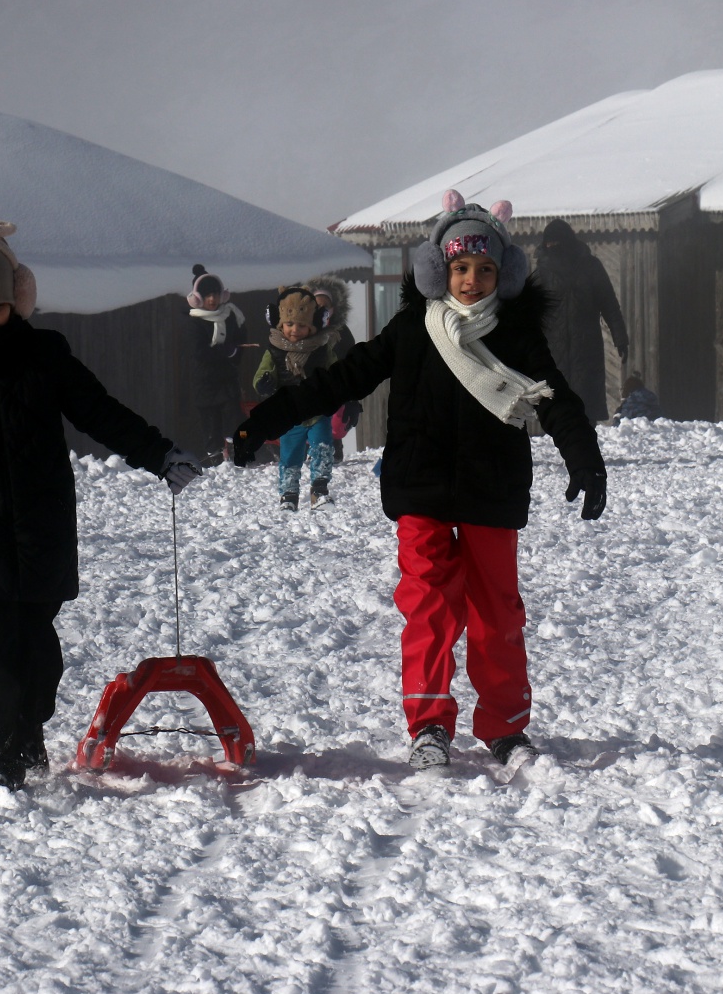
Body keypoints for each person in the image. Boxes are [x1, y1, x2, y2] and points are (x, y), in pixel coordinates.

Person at [231, 191, 607, 770]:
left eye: (485, 270)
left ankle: (506, 728)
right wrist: (264, 422)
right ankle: (429, 725)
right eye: (461, 268)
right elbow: (339, 381)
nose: (472, 281)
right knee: (428, 607)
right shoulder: (413, 328)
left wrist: (585, 459)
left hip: (492, 489)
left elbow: (555, 399)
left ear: (503, 274)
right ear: (439, 271)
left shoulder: (516, 335)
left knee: (497, 614)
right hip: (420, 487)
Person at [0, 210, 202, 791]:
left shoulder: (44, 354)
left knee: (38, 640)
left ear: (17, 300)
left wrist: (159, 454)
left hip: (41, 517)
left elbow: (99, 411)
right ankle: (4, 749)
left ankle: (30, 728)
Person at [252, 285, 341, 510]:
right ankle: (289, 495)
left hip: (317, 411)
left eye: (302, 325)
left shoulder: (321, 348)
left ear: (314, 326)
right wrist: (263, 383)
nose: (295, 330)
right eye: (289, 324)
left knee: (322, 447)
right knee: (290, 455)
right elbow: (262, 372)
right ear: (279, 323)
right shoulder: (274, 350)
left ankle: (319, 490)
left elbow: (336, 371)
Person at [534, 219, 629, 423]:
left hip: (586, 350)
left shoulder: (590, 267)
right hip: (554, 351)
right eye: (548, 243)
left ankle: (584, 442)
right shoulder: (542, 272)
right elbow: (530, 313)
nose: (552, 247)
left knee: (585, 408)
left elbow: (609, 304)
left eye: (556, 243)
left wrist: (620, 337)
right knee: (558, 410)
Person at [185, 265, 247, 464]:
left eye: (215, 294)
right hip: (205, 382)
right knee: (211, 424)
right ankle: (216, 460)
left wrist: (235, 351)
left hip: (227, 378)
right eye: (207, 295)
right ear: (198, 298)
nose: (212, 299)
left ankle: (241, 450)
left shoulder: (230, 316)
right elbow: (199, 351)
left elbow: (240, 339)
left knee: (236, 418)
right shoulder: (194, 322)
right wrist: (224, 351)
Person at [309, 277, 362, 461]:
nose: (321, 310)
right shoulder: (303, 330)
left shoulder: (342, 333)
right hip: (310, 388)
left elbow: (352, 365)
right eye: (317, 306)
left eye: (326, 306)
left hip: (335, 389)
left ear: (333, 309)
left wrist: (353, 399)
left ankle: (334, 446)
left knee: (334, 420)